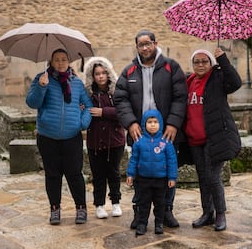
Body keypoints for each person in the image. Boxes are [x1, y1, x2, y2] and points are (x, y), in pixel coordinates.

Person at [114, 29, 187, 229]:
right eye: (141, 45)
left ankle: (167, 211)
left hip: (166, 133)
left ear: (155, 43)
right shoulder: (129, 71)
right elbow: (120, 99)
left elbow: (181, 97)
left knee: (167, 173)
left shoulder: (171, 67)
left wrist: (173, 123)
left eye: (148, 43)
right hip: (139, 134)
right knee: (139, 174)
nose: (145, 48)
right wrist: (130, 123)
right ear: (136, 47)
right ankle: (139, 213)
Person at [26, 48, 92, 225]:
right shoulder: (42, 79)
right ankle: (54, 209)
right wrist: (41, 87)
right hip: (48, 137)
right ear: (51, 62)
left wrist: (82, 123)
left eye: (64, 59)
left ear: (69, 62)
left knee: (75, 174)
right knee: (52, 175)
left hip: (72, 137)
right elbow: (32, 103)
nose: (61, 63)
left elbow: (88, 105)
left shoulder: (76, 83)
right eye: (57, 60)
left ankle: (81, 208)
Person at [184, 48, 242, 232]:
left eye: (204, 61)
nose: (200, 65)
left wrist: (222, 59)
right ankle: (206, 213)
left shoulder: (217, 78)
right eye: (197, 62)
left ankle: (220, 213)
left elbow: (235, 83)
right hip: (194, 138)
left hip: (214, 136)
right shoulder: (190, 81)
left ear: (210, 63)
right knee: (203, 177)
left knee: (213, 177)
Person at [83, 56, 126, 219]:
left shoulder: (117, 91)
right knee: (98, 174)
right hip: (95, 141)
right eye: (97, 74)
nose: (100, 76)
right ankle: (99, 205)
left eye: (103, 73)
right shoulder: (88, 94)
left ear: (108, 74)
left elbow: (123, 112)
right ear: (92, 76)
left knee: (114, 173)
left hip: (115, 140)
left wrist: (104, 112)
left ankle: (116, 202)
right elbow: (83, 109)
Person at [126, 109, 178, 236]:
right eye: (149, 122)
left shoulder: (166, 142)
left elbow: (172, 160)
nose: (153, 124)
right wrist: (130, 174)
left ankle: (159, 223)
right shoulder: (139, 142)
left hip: (161, 179)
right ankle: (142, 223)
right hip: (144, 179)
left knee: (160, 203)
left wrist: (172, 177)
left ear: (160, 123)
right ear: (144, 124)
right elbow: (134, 159)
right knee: (144, 203)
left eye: (155, 122)